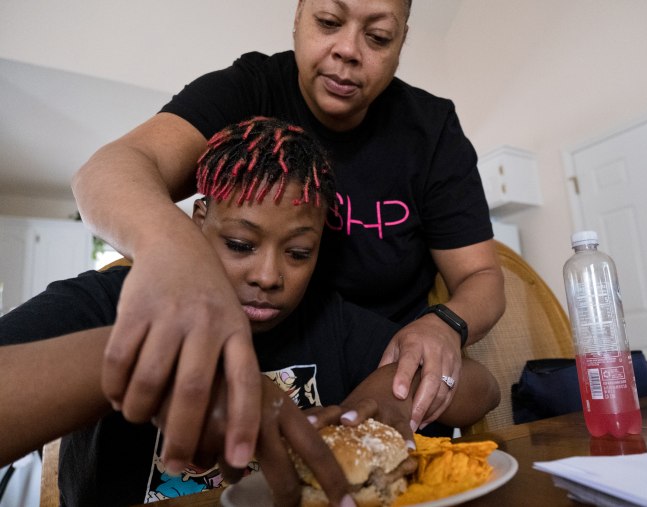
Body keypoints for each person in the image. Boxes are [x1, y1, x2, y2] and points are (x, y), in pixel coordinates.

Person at [71, 0, 505, 476]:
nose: (348, 50)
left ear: (401, 43)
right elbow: (111, 170)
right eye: (328, 22)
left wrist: (444, 324)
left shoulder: (430, 130)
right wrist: (178, 260)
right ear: (298, 16)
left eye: (378, 37)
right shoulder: (247, 89)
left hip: (383, 382)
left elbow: (482, 277)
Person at [0, 117, 499, 506]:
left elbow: (483, 388)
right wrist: (152, 361)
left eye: (299, 253)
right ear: (198, 223)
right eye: (240, 243)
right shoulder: (105, 301)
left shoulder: (331, 322)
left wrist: (393, 387)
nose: (267, 275)